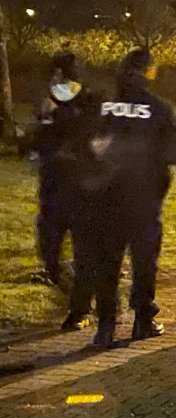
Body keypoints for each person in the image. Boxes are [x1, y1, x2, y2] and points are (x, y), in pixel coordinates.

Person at [83, 49, 176, 347]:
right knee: (144, 262)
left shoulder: (101, 106)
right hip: (143, 200)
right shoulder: (160, 109)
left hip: (104, 199)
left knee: (106, 263)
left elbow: (83, 146)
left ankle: (105, 326)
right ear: (149, 73)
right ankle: (143, 320)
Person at [31, 53, 104, 332]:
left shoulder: (91, 104)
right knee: (50, 254)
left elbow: (90, 138)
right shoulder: (48, 107)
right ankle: (76, 292)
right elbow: (37, 143)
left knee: (85, 254)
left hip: (84, 192)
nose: (58, 81)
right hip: (52, 194)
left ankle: (80, 310)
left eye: (63, 76)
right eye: (55, 76)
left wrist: (57, 116)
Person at [30, 53, 82, 290]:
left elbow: (40, 138)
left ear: (58, 73)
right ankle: (78, 275)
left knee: (51, 227)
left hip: (56, 176)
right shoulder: (87, 97)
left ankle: (54, 271)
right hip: (81, 177)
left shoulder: (52, 101)